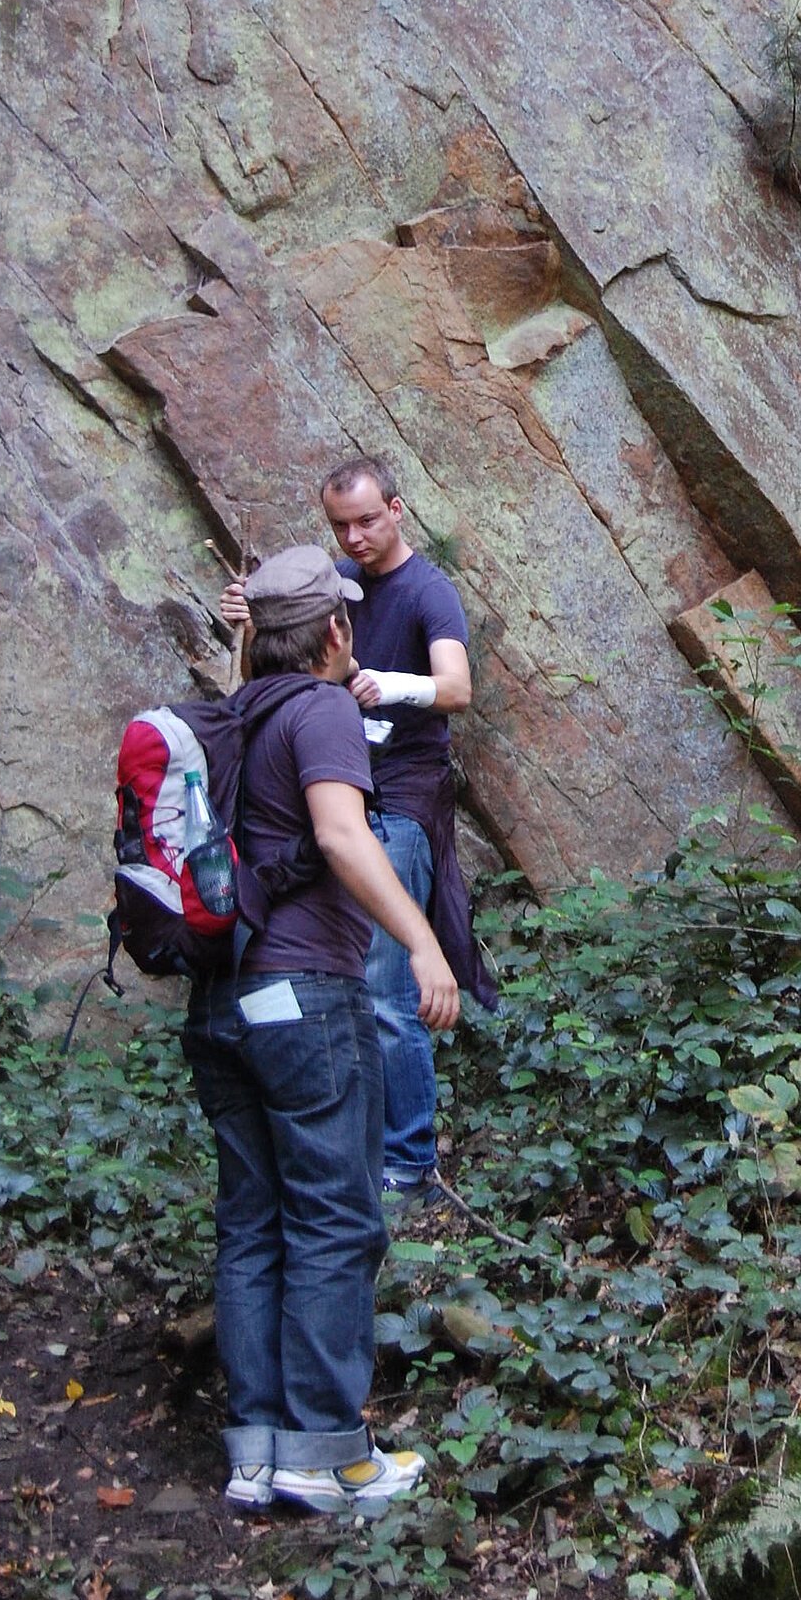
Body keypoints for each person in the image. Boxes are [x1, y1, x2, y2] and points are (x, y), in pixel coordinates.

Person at [182, 544, 461, 1514]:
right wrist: (423, 944)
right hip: (306, 1000)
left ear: (258, 635)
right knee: (337, 1218)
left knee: (254, 1223)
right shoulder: (326, 708)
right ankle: (331, 1454)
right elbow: (342, 836)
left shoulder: (234, 711)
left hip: (221, 1007)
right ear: (336, 631)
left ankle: (257, 1455)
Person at [222, 459, 493, 1203]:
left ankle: (408, 1161)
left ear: (397, 510)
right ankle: (367, 1151)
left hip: (399, 795)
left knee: (383, 983)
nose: (354, 536)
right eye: (341, 524)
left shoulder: (427, 590)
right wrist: (256, 621)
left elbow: (459, 686)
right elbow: (273, 675)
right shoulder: (337, 582)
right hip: (335, 789)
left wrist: (395, 686)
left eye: (368, 519)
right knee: (348, 979)